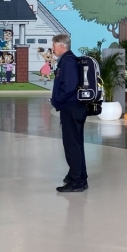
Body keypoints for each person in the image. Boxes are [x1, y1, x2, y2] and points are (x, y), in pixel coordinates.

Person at [50, 33, 88, 192]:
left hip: (71, 108)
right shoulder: (69, 60)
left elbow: (70, 85)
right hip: (74, 107)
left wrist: (57, 99)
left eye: (54, 46)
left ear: (61, 46)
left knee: (72, 145)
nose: (52, 49)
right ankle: (78, 177)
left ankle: (77, 181)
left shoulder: (68, 62)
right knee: (75, 144)